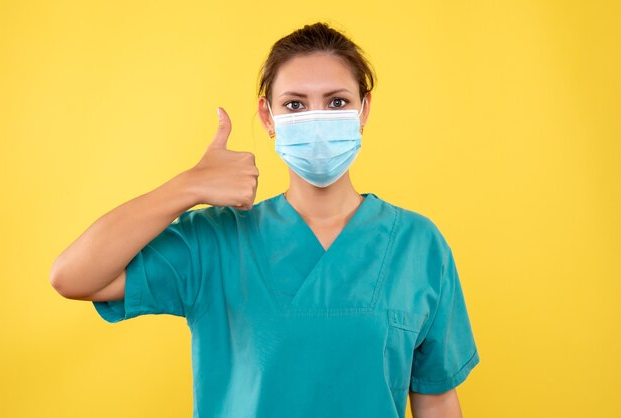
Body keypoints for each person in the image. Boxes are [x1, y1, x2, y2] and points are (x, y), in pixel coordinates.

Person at [50, 22, 480, 418]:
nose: (316, 120)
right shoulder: (217, 240)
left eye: (337, 102)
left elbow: (436, 398)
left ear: (363, 110)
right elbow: (73, 276)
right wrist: (187, 188)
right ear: (267, 117)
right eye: (294, 104)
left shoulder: (418, 244)